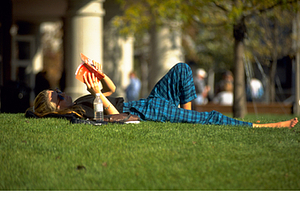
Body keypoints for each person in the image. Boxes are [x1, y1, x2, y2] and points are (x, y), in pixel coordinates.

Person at [26, 62, 298, 129]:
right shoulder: (79, 113)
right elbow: (115, 116)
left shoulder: (80, 101)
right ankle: (264, 126)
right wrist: (98, 97)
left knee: (181, 69)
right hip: (146, 112)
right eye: (58, 97)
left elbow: (112, 91)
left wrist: (99, 77)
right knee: (212, 117)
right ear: (55, 109)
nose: (62, 94)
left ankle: (188, 117)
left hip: (148, 101)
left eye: (59, 91)